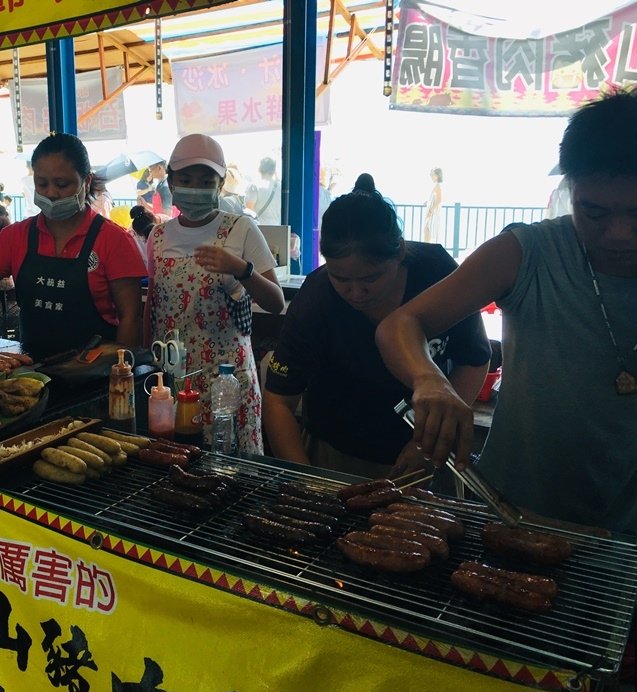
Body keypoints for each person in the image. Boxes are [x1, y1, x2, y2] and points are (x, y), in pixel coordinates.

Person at [375, 87, 637, 543]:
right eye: (594, 212)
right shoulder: (527, 252)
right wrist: (429, 380)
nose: (619, 234)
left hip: (633, 535)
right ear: (570, 190)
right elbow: (400, 325)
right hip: (512, 515)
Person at [263, 174, 490, 477]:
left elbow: (474, 359)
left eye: (371, 278)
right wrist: (307, 481)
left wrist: (426, 442)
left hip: (420, 452)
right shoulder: (317, 298)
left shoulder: (436, 274)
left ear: (399, 252)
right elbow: (279, 400)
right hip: (334, 451)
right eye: (341, 279)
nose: (356, 293)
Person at [0, 133, 146, 359]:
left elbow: (131, 317)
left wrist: (119, 372)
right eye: (42, 183)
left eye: (62, 184)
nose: (51, 193)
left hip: (96, 374)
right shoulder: (16, 236)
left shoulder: (114, 240)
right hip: (32, 369)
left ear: (86, 182)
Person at [145, 133, 285, 454]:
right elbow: (153, 304)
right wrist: (147, 357)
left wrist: (242, 269)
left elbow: (275, 302)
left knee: (232, 471)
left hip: (227, 379)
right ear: (170, 181)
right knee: (179, 465)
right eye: (186, 179)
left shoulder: (241, 229)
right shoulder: (159, 235)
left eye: (206, 180)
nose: (195, 188)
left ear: (220, 185)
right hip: (175, 379)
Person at [245, 156, 281, 226]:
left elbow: (249, 211)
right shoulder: (280, 187)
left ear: (259, 169)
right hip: (278, 229)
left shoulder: (254, 186)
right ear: (273, 170)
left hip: (259, 230)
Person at [422, 167, 444, 243]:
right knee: (427, 230)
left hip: (433, 212)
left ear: (437, 175)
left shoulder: (438, 186)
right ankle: (426, 247)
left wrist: (431, 210)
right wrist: (427, 202)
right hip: (432, 211)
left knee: (427, 230)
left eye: (432, 175)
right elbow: (434, 198)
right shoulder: (436, 185)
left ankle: (426, 248)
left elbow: (439, 200)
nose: (431, 176)